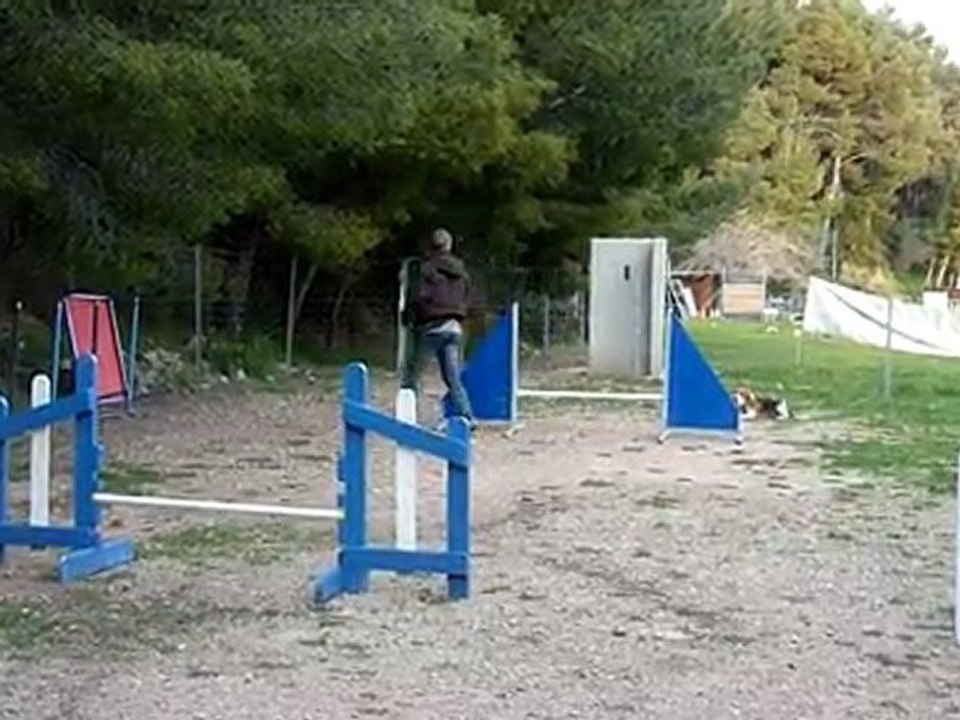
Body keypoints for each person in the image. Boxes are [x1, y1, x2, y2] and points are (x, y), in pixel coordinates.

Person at [400, 228, 475, 427]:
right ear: (449, 246)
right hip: (455, 326)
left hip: (432, 326)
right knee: (452, 378)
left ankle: (406, 415)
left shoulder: (427, 269)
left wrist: (409, 317)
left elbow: (419, 297)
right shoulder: (462, 272)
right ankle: (466, 415)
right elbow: (468, 297)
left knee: (413, 374)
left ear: (431, 247)